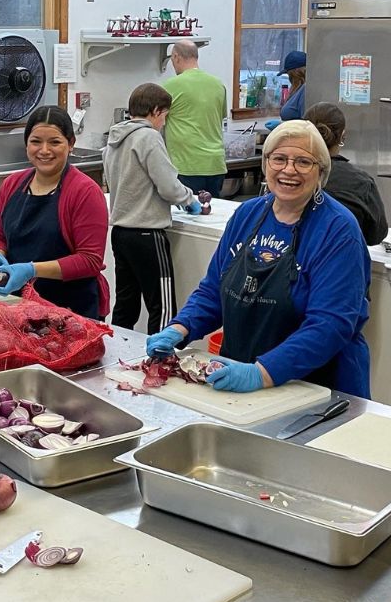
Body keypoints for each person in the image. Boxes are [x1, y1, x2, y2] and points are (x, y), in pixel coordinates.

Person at [145, 120, 371, 398]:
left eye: (303, 161)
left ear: (321, 171)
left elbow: (331, 324)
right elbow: (214, 289)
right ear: (266, 164)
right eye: (279, 159)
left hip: (318, 388)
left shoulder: (338, 229)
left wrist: (262, 373)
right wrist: (180, 328)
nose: (289, 170)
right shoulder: (247, 215)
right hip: (241, 374)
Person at [0, 105, 110, 319]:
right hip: (19, 305)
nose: (44, 150)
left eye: (55, 142)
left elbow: (90, 260)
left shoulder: (85, 192)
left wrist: (31, 270)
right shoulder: (12, 184)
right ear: (26, 144)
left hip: (71, 311)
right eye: (36, 141)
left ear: (71, 144)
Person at [104, 83, 201, 333]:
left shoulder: (114, 139)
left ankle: (118, 355)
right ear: (156, 111)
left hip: (121, 232)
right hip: (147, 233)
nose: (164, 123)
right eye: (165, 116)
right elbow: (168, 186)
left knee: (125, 304)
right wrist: (189, 201)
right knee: (163, 307)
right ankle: (158, 362)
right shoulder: (148, 137)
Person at [304, 102, 388, 245]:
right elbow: (376, 235)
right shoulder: (361, 182)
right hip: (341, 260)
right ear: (342, 136)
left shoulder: (288, 176)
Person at [163, 40, 228, 197]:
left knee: (186, 217)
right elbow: (221, 116)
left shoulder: (171, 85)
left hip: (187, 165)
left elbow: (156, 121)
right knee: (210, 215)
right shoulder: (218, 84)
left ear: (176, 57)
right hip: (215, 164)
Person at [279, 50, 306, 121]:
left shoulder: (305, 90)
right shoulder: (298, 89)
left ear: (295, 73)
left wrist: (280, 125)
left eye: (289, 74)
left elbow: (305, 123)